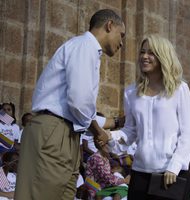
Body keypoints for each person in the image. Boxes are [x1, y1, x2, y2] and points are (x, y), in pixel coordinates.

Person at [15, 9, 125, 200]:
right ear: (109, 26)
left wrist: (116, 122)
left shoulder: (89, 51)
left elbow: (79, 109)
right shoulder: (84, 46)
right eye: (121, 35)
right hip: (54, 133)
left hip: (67, 135)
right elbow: (79, 101)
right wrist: (98, 131)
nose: (122, 42)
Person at [107, 34, 190, 200]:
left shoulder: (180, 89)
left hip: (171, 175)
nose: (144, 57)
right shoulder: (131, 92)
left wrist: (174, 167)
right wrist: (111, 137)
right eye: (142, 52)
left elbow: (187, 134)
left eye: (151, 53)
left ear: (163, 56)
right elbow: (130, 131)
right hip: (140, 175)